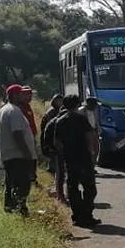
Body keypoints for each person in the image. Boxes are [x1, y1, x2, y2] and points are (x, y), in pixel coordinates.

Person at [52, 94, 100, 227]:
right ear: (78, 104)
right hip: (83, 157)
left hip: (70, 159)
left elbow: (57, 142)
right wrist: (92, 153)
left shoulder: (60, 121)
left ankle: (77, 216)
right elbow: (89, 137)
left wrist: (65, 153)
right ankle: (87, 215)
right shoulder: (81, 119)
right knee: (90, 188)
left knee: (73, 187)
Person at [0, 84, 39, 216]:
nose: (24, 96)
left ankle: (10, 207)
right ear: (15, 95)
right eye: (21, 94)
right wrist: (26, 152)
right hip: (17, 155)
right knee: (22, 183)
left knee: (11, 182)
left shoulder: (4, 110)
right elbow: (17, 133)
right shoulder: (14, 111)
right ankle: (19, 208)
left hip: (10, 154)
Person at [41, 95, 65, 201]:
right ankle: (55, 190)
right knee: (55, 169)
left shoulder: (57, 114)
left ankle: (57, 190)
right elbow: (48, 131)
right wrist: (50, 147)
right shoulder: (51, 114)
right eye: (58, 100)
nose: (60, 102)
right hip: (53, 147)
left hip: (55, 146)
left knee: (58, 170)